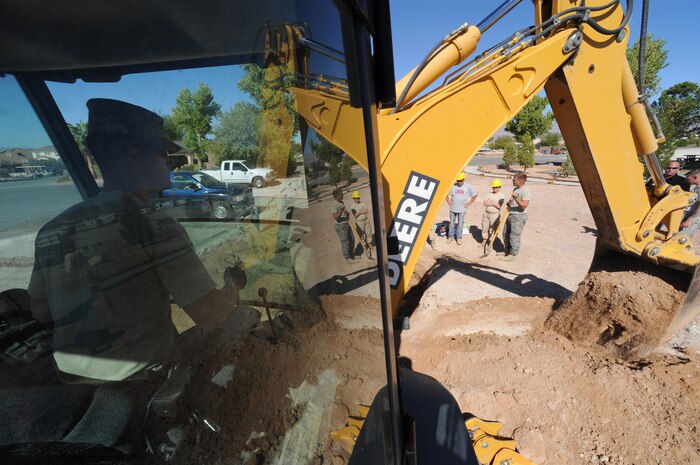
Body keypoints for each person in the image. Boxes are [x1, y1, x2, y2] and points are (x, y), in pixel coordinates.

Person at [28, 99, 237, 383]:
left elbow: (40, 311)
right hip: (141, 383)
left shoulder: (54, 228)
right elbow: (211, 314)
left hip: (71, 385)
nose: (169, 162)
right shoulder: (154, 224)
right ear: (134, 154)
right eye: (164, 153)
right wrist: (233, 286)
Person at [503, 172, 531, 259]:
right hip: (511, 214)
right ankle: (507, 251)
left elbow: (524, 205)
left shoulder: (525, 190)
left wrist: (516, 198)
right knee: (505, 234)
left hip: (519, 216)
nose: (512, 180)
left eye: (514, 179)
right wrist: (510, 202)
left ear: (520, 181)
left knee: (514, 236)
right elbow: (513, 202)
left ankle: (513, 254)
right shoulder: (515, 189)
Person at [446, 172, 478, 245]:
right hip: (452, 209)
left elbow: (475, 195)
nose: (459, 182)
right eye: (458, 181)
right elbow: (445, 194)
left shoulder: (468, 187)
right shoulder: (453, 186)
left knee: (460, 224)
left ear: (464, 180)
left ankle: (459, 238)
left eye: (460, 181)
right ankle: (450, 237)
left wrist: (468, 204)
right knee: (451, 223)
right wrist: (448, 202)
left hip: (462, 210)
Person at [479, 179, 505, 249]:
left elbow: (499, 206)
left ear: (499, 187)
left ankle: (491, 242)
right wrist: (494, 203)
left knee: (493, 229)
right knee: (485, 227)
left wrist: (489, 202)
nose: (494, 188)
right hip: (486, 213)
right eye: (493, 187)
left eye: (496, 187)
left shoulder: (501, 196)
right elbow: (484, 203)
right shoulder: (489, 194)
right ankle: (484, 241)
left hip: (494, 215)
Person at [331, 188, 355, 261]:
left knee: (352, 239)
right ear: (337, 195)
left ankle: (352, 254)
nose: (343, 194)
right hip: (340, 225)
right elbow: (335, 217)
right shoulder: (334, 205)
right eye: (341, 194)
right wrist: (341, 210)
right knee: (345, 242)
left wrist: (346, 213)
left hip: (346, 223)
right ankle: (347, 258)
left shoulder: (341, 202)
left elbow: (343, 213)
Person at [350, 190, 372, 257]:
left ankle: (369, 244)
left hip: (366, 220)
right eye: (356, 198)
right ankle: (364, 246)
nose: (357, 199)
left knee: (368, 233)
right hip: (359, 222)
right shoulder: (353, 206)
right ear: (353, 198)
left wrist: (359, 212)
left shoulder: (363, 203)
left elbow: (366, 211)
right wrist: (361, 211)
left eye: (358, 198)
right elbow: (355, 215)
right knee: (361, 235)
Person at [681, 169, 700, 236]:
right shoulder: (696, 188)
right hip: (689, 215)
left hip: (692, 217)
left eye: (688, 179)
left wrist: (690, 219)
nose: (686, 181)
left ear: (695, 178)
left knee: (683, 237)